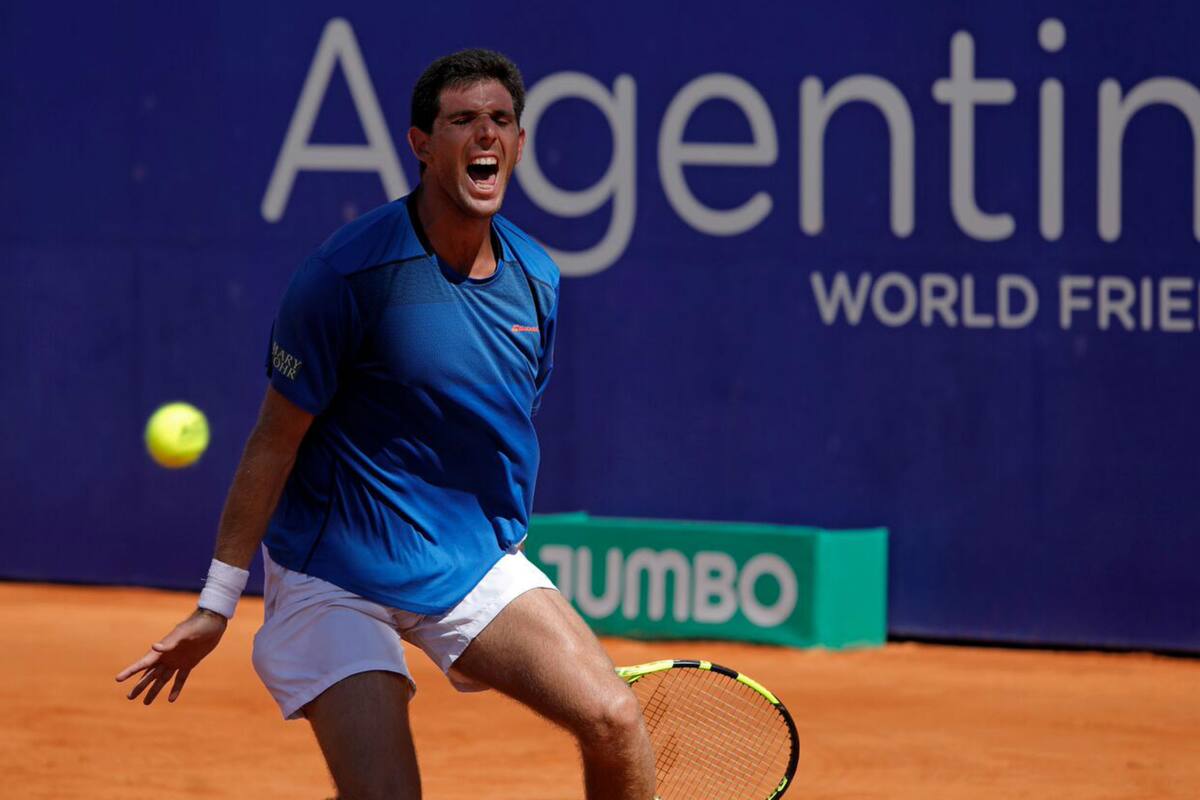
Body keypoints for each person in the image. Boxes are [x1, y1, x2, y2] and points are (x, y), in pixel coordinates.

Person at [117, 49, 657, 800]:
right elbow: (274, 440)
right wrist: (216, 602)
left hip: (466, 562)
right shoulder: (348, 275)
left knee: (616, 721)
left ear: (521, 144)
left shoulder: (536, 279)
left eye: (501, 121)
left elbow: (499, 418)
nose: (485, 137)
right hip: (332, 574)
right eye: (462, 121)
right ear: (421, 143)